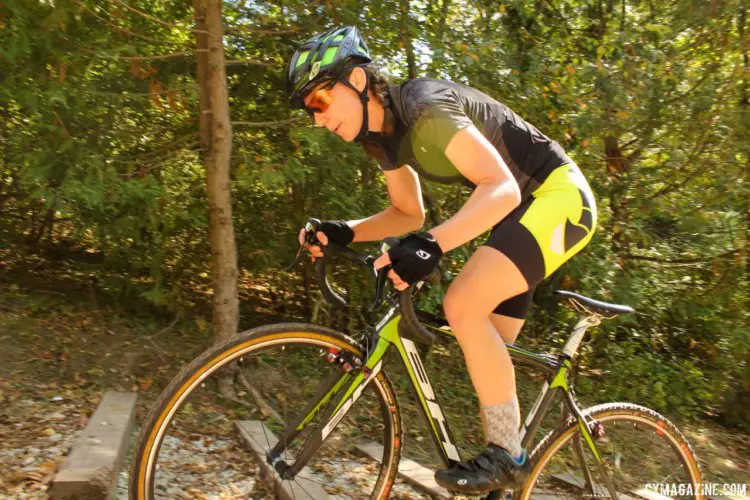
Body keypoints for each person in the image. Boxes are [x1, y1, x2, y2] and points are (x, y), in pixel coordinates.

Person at [287, 26, 597, 495]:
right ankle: (507, 463)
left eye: (319, 101)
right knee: (485, 352)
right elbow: (407, 212)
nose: (316, 119)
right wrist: (344, 230)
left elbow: (501, 187)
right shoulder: (382, 139)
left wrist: (430, 245)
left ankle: (507, 456)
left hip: (559, 196)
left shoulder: (424, 105)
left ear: (354, 79)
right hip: (516, 215)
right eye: (309, 109)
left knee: (463, 304)